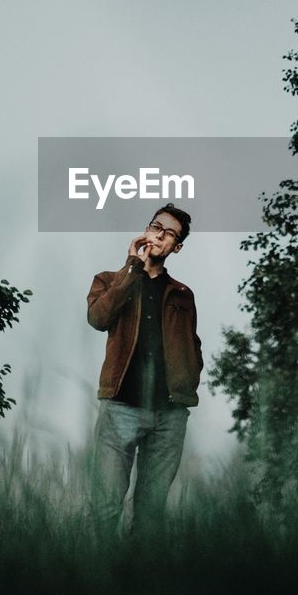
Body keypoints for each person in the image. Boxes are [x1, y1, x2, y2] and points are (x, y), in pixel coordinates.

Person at [86, 202, 201, 537]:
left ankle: (138, 584)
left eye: (169, 233)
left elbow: (193, 344)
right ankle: (96, 582)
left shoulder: (182, 294)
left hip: (169, 414)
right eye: (156, 226)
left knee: (151, 514)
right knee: (106, 505)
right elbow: (98, 318)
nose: (159, 234)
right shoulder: (109, 280)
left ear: (176, 247)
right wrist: (133, 266)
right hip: (121, 406)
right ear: (146, 229)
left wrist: (188, 382)